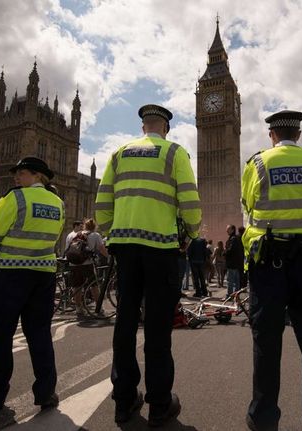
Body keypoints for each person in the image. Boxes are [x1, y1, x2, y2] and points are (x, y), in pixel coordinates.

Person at [95, 104, 201, 426]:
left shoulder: (119, 153)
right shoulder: (174, 153)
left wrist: (110, 230)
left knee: (125, 323)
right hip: (160, 248)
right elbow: (190, 203)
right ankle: (159, 404)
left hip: (125, 249)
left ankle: (124, 401)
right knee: (157, 328)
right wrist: (192, 232)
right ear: (164, 128)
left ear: (143, 127)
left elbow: (102, 203)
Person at [241, 110, 302, 431]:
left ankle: (264, 418)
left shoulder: (257, 164)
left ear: (271, 134)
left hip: (269, 262)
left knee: (267, 343)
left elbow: (248, 205)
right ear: (298, 134)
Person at [0, 156, 65, 412]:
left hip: (11, 274)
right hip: (44, 275)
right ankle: (46, 392)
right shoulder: (58, 203)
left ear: (38, 176)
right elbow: (54, 237)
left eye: (22, 173)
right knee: (39, 334)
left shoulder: (16, 198)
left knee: (2, 334)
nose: (16, 177)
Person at [68, 218, 109, 318]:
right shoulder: (95, 235)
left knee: (77, 286)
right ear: (95, 227)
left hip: (73, 264)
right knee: (94, 286)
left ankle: (78, 309)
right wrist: (109, 258)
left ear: (84, 226)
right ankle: (99, 308)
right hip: (87, 264)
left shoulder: (74, 235)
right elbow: (102, 249)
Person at [225, 225, 244, 296]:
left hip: (232, 263)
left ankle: (229, 295)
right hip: (237, 263)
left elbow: (230, 250)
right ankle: (236, 295)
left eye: (228, 229)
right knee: (236, 281)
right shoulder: (237, 238)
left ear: (233, 230)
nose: (226, 230)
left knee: (230, 281)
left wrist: (225, 253)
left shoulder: (233, 239)